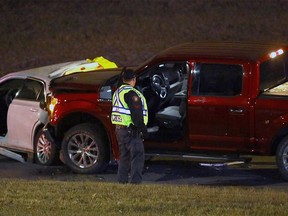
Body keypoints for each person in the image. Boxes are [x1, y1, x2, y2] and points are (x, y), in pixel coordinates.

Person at [111, 68, 148, 184]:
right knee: (137, 155)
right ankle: (135, 183)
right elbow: (136, 113)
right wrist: (142, 129)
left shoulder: (117, 92)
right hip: (131, 130)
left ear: (123, 79)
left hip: (119, 130)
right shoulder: (132, 94)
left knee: (124, 156)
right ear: (134, 79)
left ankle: (122, 181)